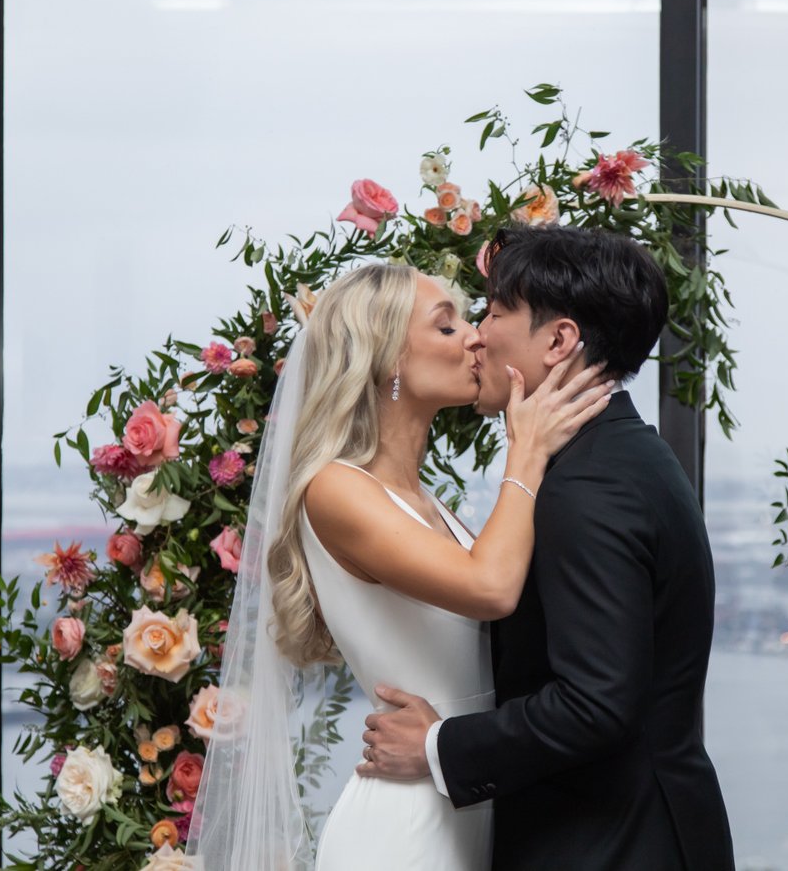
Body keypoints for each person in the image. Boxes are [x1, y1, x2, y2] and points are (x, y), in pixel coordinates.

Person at [189, 262, 614, 871]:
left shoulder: (425, 501)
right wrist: (527, 451)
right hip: (405, 831)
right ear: (387, 358)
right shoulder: (335, 489)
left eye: (471, 320)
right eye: (447, 327)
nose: (475, 337)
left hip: (463, 793)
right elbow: (491, 588)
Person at [357, 226, 736, 870]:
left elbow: (595, 703)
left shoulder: (587, 485)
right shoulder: (626, 456)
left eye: (495, 312)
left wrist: (436, 745)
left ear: (558, 341)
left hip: (610, 845)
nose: (477, 333)